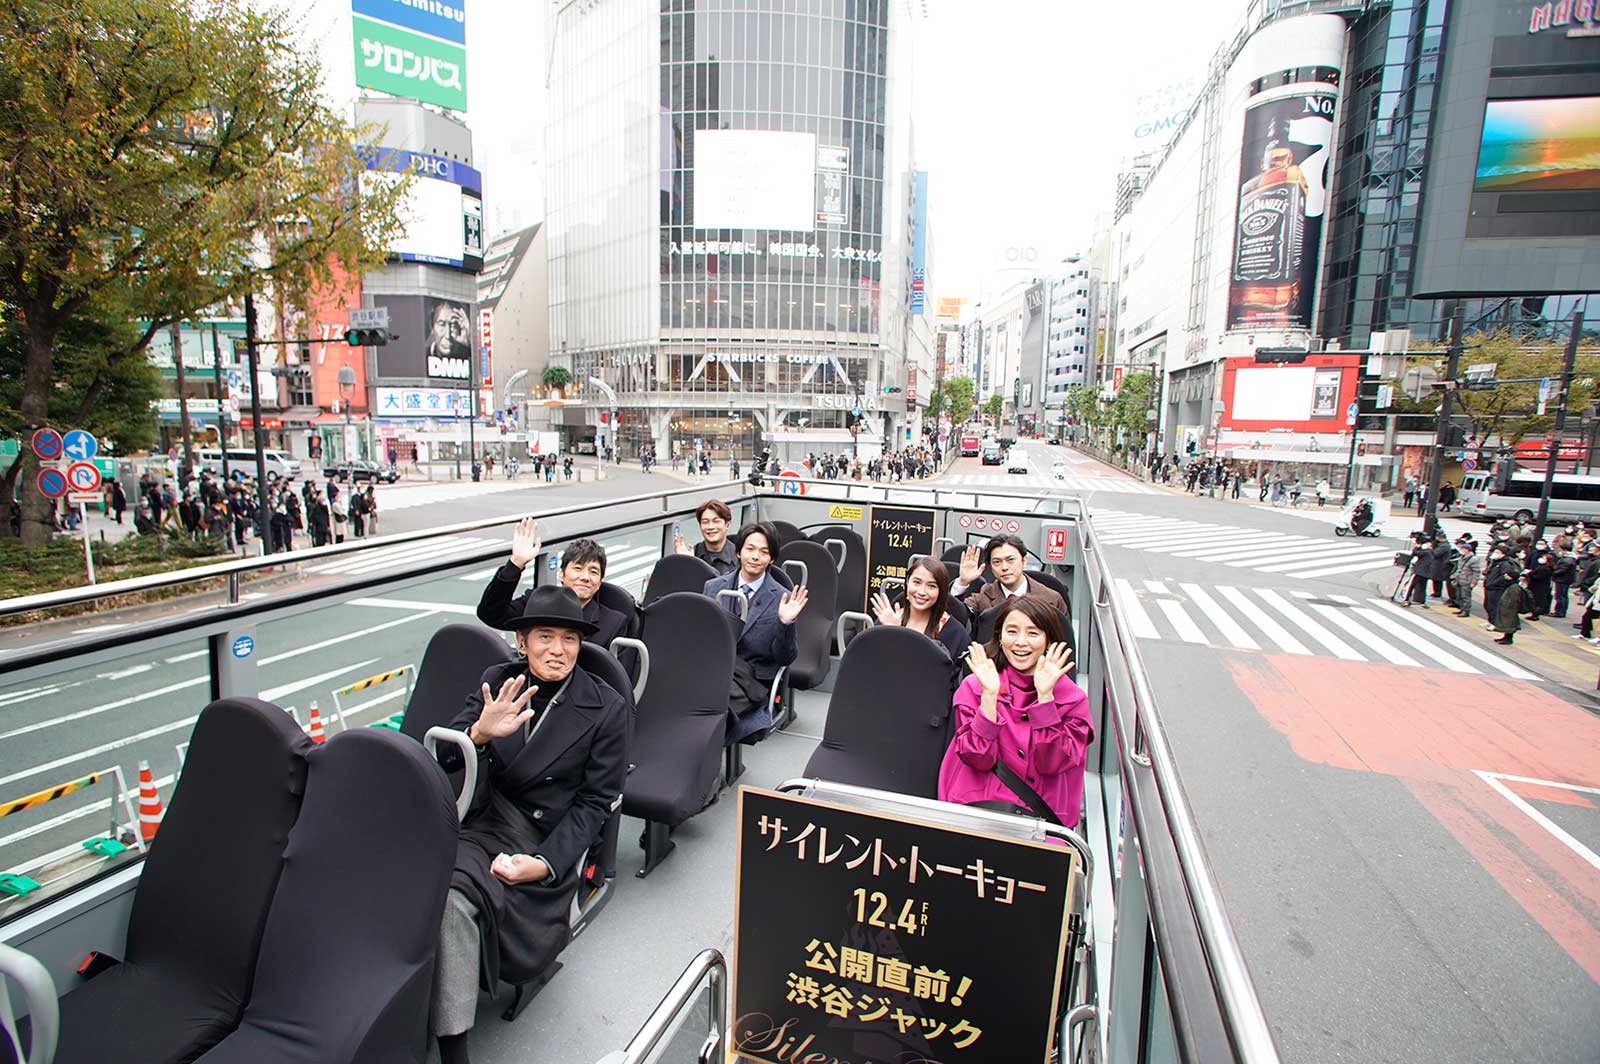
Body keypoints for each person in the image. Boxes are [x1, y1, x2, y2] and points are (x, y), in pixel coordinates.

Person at [430, 586, 629, 1064]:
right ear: (521, 642)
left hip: (538, 836)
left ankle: (452, 1045)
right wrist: (478, 733)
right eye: (544, 637)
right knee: (401, 866)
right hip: (475, 815)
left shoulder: (605, 707)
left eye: (569, 639)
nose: (557, 650)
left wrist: (543, 864)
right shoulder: (497, 682)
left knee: (452, 901)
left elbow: (596, 802)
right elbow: (442, 756)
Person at [937, 596, 1093, 828]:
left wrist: (1045, 698)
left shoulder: (1072, 699)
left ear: (1048, 641)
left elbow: (1052, 762)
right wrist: (989, 698)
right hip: (978, 811)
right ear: (1000, 638)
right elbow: (976, 757)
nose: (1020, 642)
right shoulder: (976, 685)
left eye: (1032, 633)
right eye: (1012, 631)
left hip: (1040, 823)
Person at [702, 522, 809, 744]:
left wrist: (785, 623)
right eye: (750, 549)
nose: (755, 557)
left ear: (771, 559)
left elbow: (785, 658)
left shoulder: (783, 597)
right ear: (738, 551)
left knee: (709, 707)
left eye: (764, 552)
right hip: (715, 671)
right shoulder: (713, 587)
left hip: (753, 681)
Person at [478, 519, 629, 648]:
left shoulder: (614, 623)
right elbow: (491, 614)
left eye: (593, 572)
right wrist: (516, 564)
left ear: (600, 582)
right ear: (561, 574)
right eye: (577, 568)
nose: (585, 577)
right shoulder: (538, 602)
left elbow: (617, 677)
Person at [869, 556, 972, 687]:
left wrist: (900, 636)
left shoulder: (955, 633)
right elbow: (872, 666)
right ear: (907, 583)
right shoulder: (889, 620)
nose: (922, 592)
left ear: (941, 592)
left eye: (931, 586)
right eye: (916, 582)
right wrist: (891, 633)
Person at [951, 534, 1069, 619]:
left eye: (1010, 560)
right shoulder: (983, 597)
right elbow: (954, 618)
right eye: (997, 562)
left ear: (1024, 561)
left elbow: (1064, 641)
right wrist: (962, 582)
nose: (1004, 567)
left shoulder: (1052, 599)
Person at [673, 498, 738, 575]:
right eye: (705, 522)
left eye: (716, 521)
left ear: (727, 524)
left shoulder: (739, 556)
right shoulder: (692, 554)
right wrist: (685, 562)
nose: (710, 527)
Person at [1482, 544, 1521, 628]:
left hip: (1496, 589)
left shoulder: (1505, 564)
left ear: (1503, 554)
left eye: (1497, 552)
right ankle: (1490, 621)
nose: (1494, 553)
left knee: (1495, 607)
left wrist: (1494, 583)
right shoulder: (1495, 562)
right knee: (1488, 605)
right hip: (1489, 587)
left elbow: (1504, 577)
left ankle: (1495, 623)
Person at [1493, 574, 1526, 646]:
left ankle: (1508, 639)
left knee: (1510, 624)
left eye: (1507, 575)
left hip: (1510, 609)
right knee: (1506, 623)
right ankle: (1505, 637)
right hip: (1506, 608)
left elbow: (1513, 600)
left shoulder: (1514, 587)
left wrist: (1507, 606)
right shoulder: (1509, 585)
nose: (1505, 576)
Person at [1452, 541, 1482, 618]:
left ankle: (1466, 611)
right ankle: (1461, 609)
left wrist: (1474, 582)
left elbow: (1476, 572)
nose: (1461, 550)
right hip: (1459, 580)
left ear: (1467, 550)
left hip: (1467, 581)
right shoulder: (1461, 558)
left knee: (1466, 597)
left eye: (1463, 549)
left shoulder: (1473, 559)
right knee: (1459, 596)